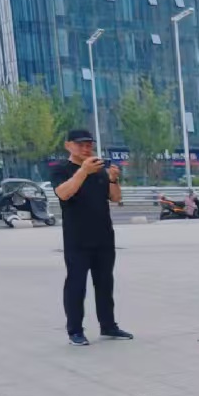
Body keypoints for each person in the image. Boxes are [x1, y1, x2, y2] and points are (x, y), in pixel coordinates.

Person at [50, 128, 132, 346]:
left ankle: (108, 325)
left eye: (89, 145)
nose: (86, 149)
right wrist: (83, 171)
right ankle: (75, 330)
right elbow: (63, 193)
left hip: (104, 236)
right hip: (77, 238)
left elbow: (115, 198)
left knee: (105, 282)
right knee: (76, 284)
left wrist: (113, 179)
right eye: (80, 144)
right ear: (68, 145)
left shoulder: (99, 171)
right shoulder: (61, 169)